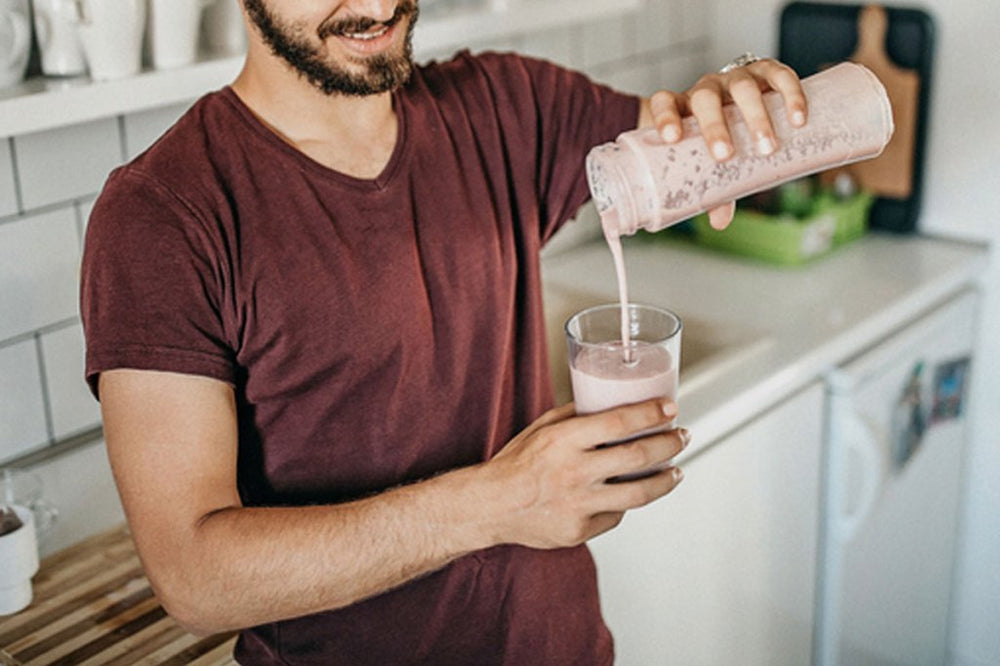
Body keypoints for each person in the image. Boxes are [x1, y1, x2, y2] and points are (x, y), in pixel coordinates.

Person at [80, 1, 807, 663]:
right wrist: (498, 504)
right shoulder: (162, 216)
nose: (374, 5)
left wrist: (739, 99)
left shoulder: (506, 106)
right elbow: (195, 581)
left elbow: (704, 146)